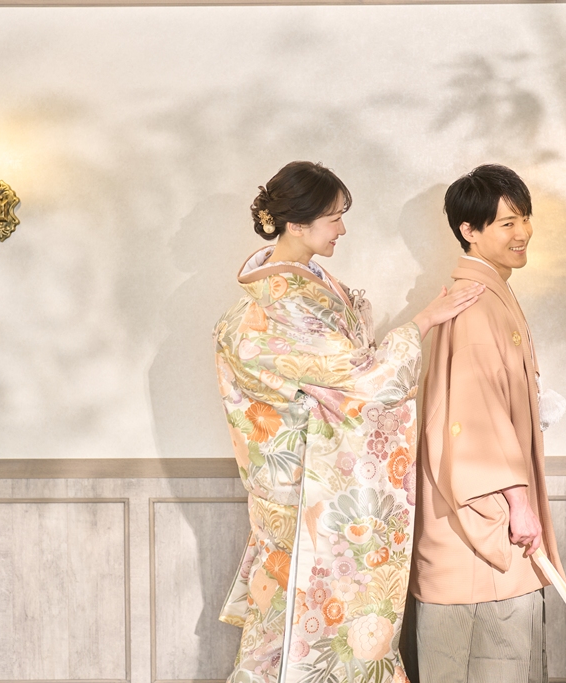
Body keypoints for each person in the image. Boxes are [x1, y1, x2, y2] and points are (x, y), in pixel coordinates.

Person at [214, 161, 482, 683]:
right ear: (297, 223)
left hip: (318, 478)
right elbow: (362, 379)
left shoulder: (308, 286)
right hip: (303, 488)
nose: (342, 228)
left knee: (311, 611)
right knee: (300, 615)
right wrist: (425, 320)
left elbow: (347, 372)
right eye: (334, 217)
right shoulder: (278, 304)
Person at [411, 164, 566, 683]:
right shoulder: (476, 304)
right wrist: (519, 506)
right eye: (507, 223)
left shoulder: (489, 292)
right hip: (485, 517)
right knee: (484, 658)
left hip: (487, 504)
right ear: (469, 230)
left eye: (525, 218)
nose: (523, 232)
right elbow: (475, 417)